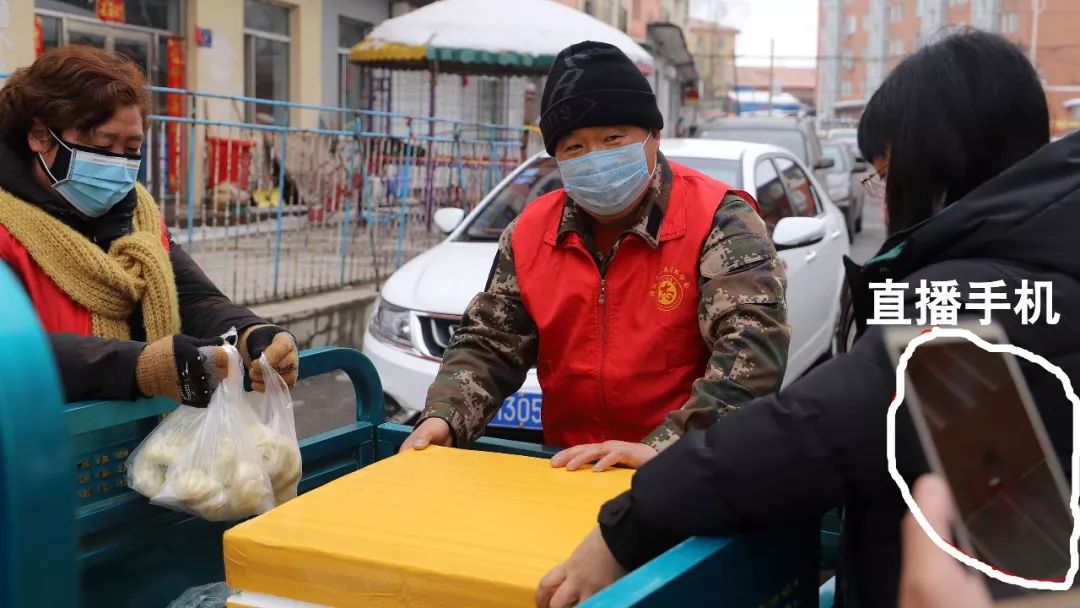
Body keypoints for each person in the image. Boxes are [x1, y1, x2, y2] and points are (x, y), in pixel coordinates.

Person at [536, 30, 1077, 607]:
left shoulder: (977, 296)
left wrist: (633, 519)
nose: (885, 197)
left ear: (942, 165)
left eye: (885, 174)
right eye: (574, 147)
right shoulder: (1044, 254)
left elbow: (810, 427)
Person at [401, 41, 789, 469]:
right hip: (570, 470)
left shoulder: (718, 219)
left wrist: (666, 446)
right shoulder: (531, 233)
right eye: (575, 148)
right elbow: (492, 342)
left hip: (685, 470)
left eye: (612, 139)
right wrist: (444, 418)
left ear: (652, 135)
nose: (596, 159)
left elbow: (752, 348)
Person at [0, 46, 298, 405]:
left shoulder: (137, 213)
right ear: (40, 135)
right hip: (36, 446)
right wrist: (137, 366)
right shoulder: (7, 228)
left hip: (135, 447)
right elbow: (13, 351)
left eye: (131, 148)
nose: (119, 164)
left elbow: (194, 296)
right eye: (104, 144)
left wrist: (252, 332)